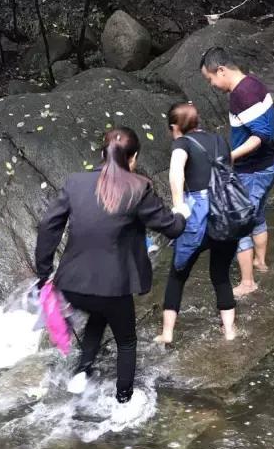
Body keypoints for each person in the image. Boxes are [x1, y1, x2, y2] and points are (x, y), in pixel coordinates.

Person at [35, 127, 189, 420]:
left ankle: (82, 373)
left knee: (98, 315)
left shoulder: (76, 182)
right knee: (126, 341)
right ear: (133, 158)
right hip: (113, 287)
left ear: (102, 154)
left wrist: (44, 272)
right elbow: (171, 227)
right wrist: (181, 211)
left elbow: (47, 226)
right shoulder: (139, 188)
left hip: (72, 284)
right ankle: (123, 403)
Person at [155, 102, 239, 345]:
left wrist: (179, 206)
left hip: (198, 217)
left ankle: (168, 333)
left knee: (177, 274)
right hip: (226, 214)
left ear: (175, 127)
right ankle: (229, 331)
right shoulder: (219, 140)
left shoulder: (182, 143)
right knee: (221, 274)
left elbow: (175, 173)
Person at [200, 48, 274, 297]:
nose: (212, 85)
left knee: (239, 224)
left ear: (221, 70)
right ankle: (260, 263)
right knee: (257, 215)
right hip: (269, 165)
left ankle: (247, 283)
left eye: (210, 79)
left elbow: (261, 135)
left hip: (252, 171)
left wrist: (230, 157)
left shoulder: (241, 95)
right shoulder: (254, 83)